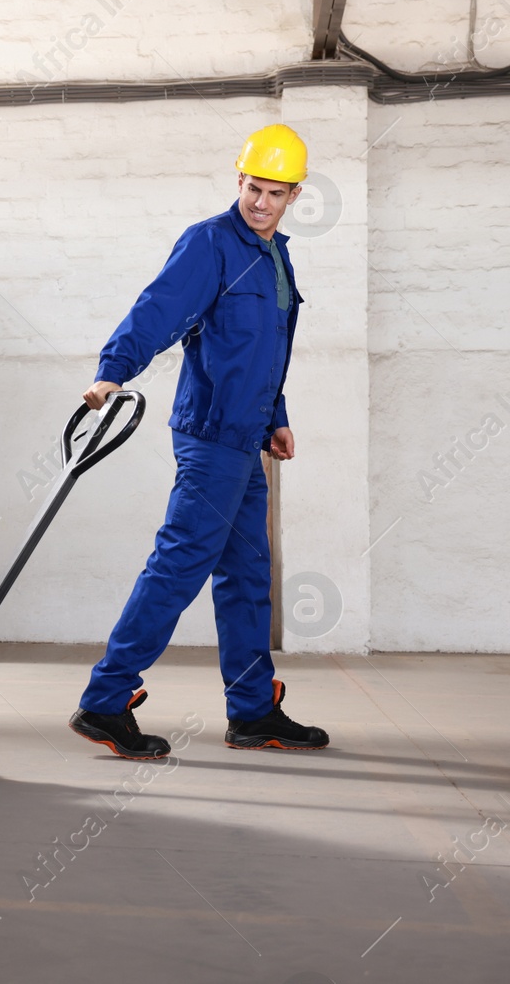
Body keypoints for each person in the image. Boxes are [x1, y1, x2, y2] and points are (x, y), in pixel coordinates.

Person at [68, 124, 331, 760]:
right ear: (237, 179)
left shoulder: (276, 255)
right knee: (179, 567)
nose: (260, 202)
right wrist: (113, 370)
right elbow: (157, 309)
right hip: (211, 437)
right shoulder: (210, 243)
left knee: (247, 576)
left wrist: (277, 414)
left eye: (274, 193)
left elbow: (265, 346)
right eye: (252, 187)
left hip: (248, 439)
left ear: (295, 195)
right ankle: (106, 700)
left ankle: (252, 712)